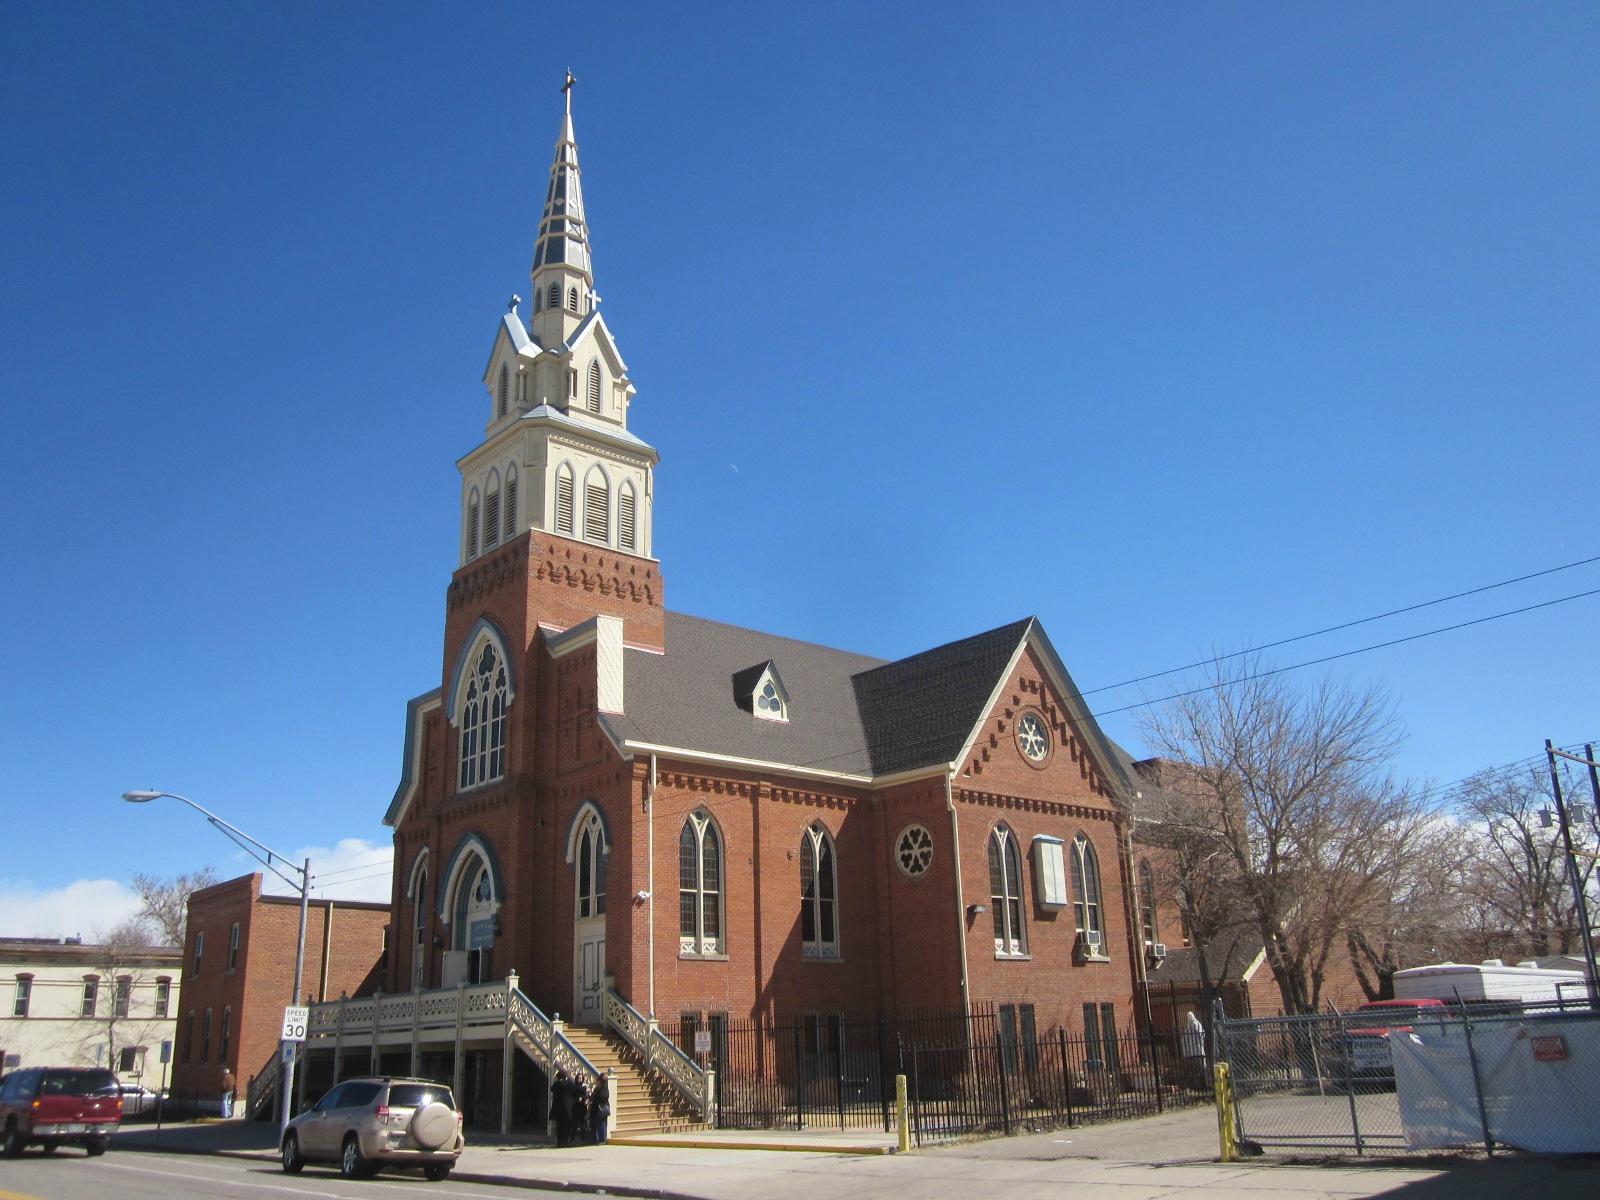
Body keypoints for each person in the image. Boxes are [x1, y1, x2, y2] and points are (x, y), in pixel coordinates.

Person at [551, 1070, 579, 1147]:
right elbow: (577, 1089)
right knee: (566, 1126)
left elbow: (552, 1089)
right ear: (565, 1076)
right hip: (567, 1109)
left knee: (559, 1127)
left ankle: (560, 1142)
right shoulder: (567, 1084)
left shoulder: (556, 1085)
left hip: (557, 1109)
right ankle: (565, 1141)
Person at [587, 1076, 610, 1145]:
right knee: (594, 1125)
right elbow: (592, 1097)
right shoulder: (597, 1089)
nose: (596, 1082)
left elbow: (603, 1098)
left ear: (600, 1082)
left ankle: (602, 1139)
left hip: (601, 1110)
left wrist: (594, 1100)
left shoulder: (604, 1089)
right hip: (595, 1110)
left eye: (597, 1081)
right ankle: (594, 1139)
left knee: (601, 1125)